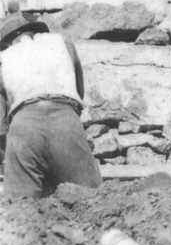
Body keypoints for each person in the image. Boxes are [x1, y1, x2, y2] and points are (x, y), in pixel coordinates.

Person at [0, 13, 101, 198]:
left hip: (24, 126)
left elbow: (1, 124)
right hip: (65, 119)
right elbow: (79, 92)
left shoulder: (3, 58)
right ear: (37, 31)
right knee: (88, 199)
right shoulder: (64, 44)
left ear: (7, 40)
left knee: (20, 207)